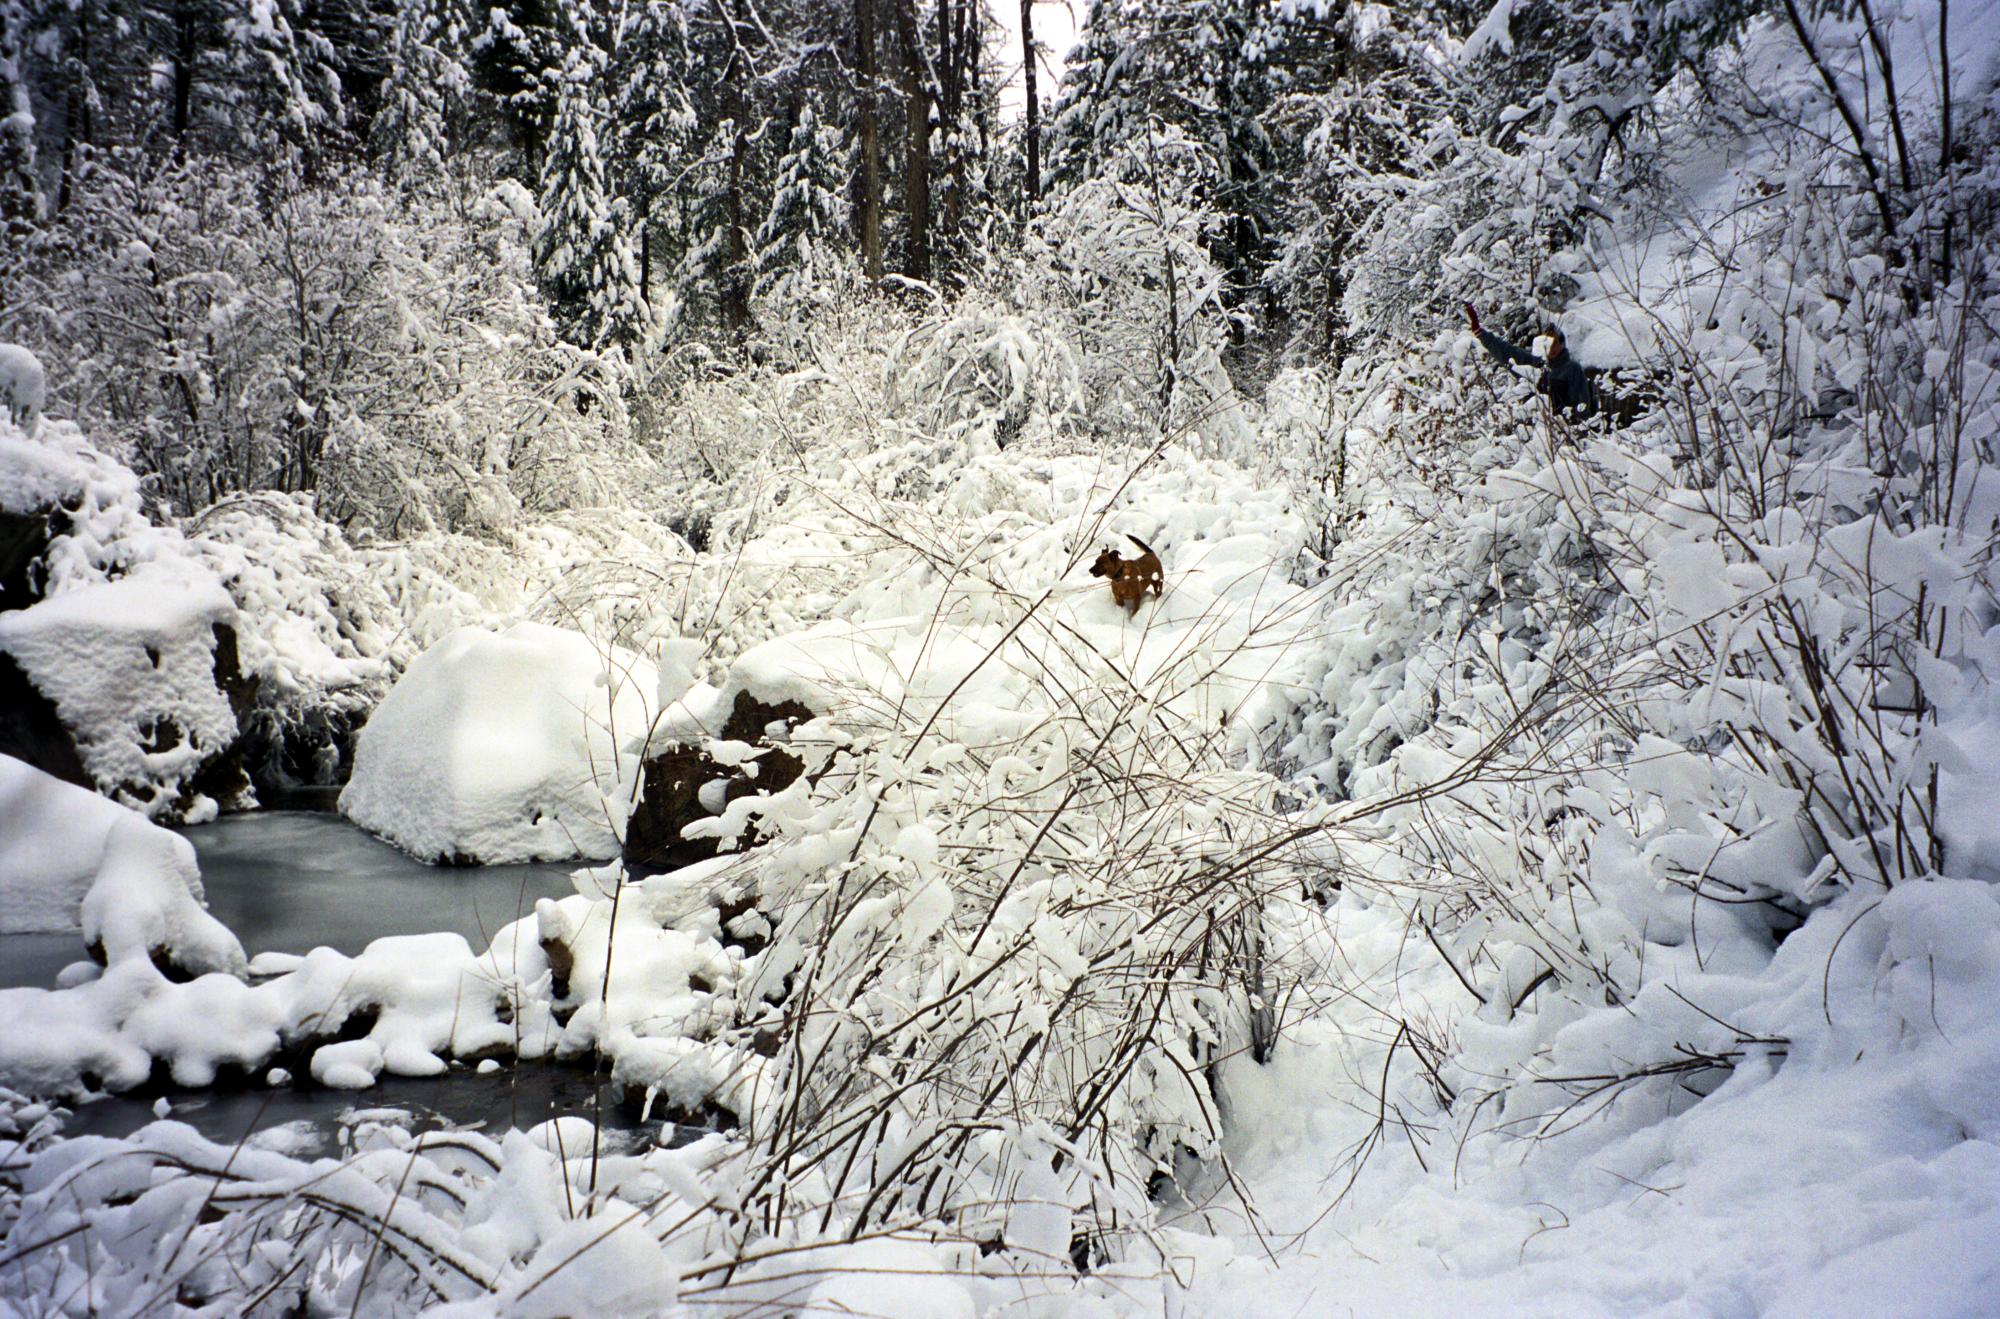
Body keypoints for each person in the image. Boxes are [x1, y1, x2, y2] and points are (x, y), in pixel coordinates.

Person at [1466, 304, 1596, 417]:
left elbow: (1581, 408)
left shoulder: (1572, 369)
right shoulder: (1536, 364)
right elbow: (1508, 353)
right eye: (1547, 342)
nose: (1551, 347)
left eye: (1554, 342)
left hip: (1565, 434)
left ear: (1562, 344)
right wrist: (1481, 334)